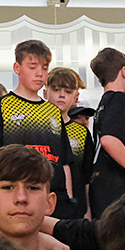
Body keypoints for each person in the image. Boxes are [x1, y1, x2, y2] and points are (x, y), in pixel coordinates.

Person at [0, 40, 82, 218]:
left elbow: (64, 161)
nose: (39, 74)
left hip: (53, 197)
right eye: (33, 67)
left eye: (44, 68)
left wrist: (69, 197)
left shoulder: (52, 111)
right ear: (17, 67)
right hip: (18, 197)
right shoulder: (1, 106)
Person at [88, 47, 125, 216]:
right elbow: (109, 140)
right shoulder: (119, 98)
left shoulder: (104, 103)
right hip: (119, 187)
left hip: (104, 187)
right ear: (124, 71)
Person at [45, 67, 92, 215]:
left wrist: (88, 211)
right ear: (46, 92)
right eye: (57, 90)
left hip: (75, 207)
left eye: (68, 92)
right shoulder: (37, 127)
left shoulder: (82, 133)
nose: (62, 96)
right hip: (41, 204)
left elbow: (87, 177)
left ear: (75, 97)